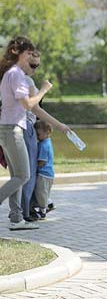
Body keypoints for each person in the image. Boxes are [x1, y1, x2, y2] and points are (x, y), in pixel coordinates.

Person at [0, 36, 52, 230]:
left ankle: (16, 219)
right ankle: (15, 216)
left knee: (17, 176)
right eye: (29, 53)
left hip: (9, 129)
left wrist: (60, 126)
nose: (32, 57)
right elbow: (29, 105)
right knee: (23, 175)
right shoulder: (16, 74)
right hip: (12, 130)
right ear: (19, 53)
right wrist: (44, 90)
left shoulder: (12, 73)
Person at [21, 51, 70, 221]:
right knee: (28, 173)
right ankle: (27, 211)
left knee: (24, 173)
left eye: (37, 65)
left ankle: (29, 207)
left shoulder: (15, 77)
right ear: (23, 60)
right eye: (32, 64)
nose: (35, 68)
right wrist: (44, 90)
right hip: (26, 127)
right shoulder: (25, 80)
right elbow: (33, 107)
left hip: (23, 126)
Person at [31, 120, 54, 218]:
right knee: (44, 192)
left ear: (47, 132)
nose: (36, 136)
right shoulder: (47, 141)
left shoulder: (43, 145)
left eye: (38, 134)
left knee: (40, 192)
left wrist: (34, 167)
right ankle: (49, 204)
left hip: (43, 173)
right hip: (49, 173)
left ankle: (43, 211)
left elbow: (42, 162)